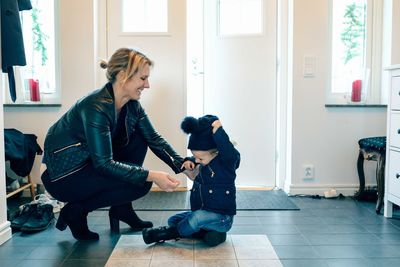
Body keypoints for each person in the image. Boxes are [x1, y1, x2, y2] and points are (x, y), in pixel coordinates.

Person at [40, 48, 187, 241]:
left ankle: (121, 209)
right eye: (143, 78)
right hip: (64, 176)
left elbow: (154, 139)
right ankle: (76, 211)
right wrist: (152, 175)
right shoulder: (95, 106)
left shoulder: (131, 103)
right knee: (141, 183)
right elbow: (103, 164)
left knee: (140, 138)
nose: (148, 85)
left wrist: (183, 165)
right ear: (123, 75)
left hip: (89, 165)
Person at [142, 115, 240, 247]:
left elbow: (229, 152)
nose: (197, 161)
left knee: (196, 218)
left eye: (200, 159)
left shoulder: (226, 163)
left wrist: (219, 131)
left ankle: (165, 234)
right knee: (174, 220)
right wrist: (189, 160)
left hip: (221, 218)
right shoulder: (202, 161)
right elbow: (195, 159)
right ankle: (206, 234)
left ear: (215, 152)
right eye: (195, 157)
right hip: (201, 212)